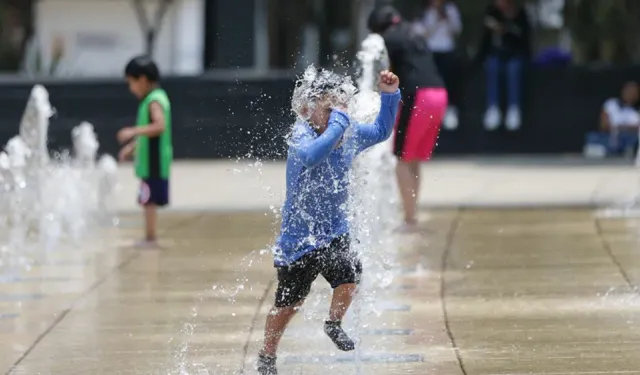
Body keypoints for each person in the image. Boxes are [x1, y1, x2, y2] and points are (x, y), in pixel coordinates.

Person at [255, 69, 401, 375]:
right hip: (298, 239)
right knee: (289, 304)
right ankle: (267, 355)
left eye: (342, 108)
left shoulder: (349, 134)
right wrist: (337, 125)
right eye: (329, 109)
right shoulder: (301, 135)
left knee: (350, 276)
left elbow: (381, 131)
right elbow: (312, 157)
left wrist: (390, 96)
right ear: (308, 108)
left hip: (334, 230)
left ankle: (333, 323)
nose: (338, 116)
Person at [368, 5, 448, 233]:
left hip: (418, 96)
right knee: (413, 159)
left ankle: (410, 219)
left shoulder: (388, 39)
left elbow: (381, 73)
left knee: (402, 159)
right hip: (439, 94)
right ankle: (412, 212)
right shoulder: (413, 32)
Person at [117, 55, 173, 248]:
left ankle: (150, 238)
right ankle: (150, 236)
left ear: (141, 80)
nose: (130, 88)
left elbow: (159, 126)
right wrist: (131, 148)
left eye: (130, 83)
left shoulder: (153, 101)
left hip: (154, 161)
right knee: (147, 199)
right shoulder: (153, 99)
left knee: (148, 201)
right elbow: (148, 133)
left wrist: (132, 131)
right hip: (152, 160)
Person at [476, 0, 531, 131]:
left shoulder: (521, 15)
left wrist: (508, 30)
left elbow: (525, 41)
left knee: (513, 69)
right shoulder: (491, 13)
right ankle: (493, 108)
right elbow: (485, 41)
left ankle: (514, 109)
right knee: (493, 67)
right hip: (497, 55)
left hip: (515, 56)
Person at [414, 0, 463, 130]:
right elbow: (420, 33)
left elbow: (457, 29)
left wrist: (447, 18)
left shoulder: (450, 9)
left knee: (449, 80)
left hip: (447, 50)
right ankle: (429, 111)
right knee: (430, 82)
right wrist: (435, 21)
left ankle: (450, 109)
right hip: (430, 51)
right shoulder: (424, 12)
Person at [584, 81, 640, 158]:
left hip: (631, 139)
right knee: (592, 136)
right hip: (611, 136)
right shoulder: (611, 103)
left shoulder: (636, 111)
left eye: (634, 92)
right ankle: (604, 150)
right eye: (629, 91)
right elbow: (603, 125)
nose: (631, 94)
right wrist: (622, 128)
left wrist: (620, 127)